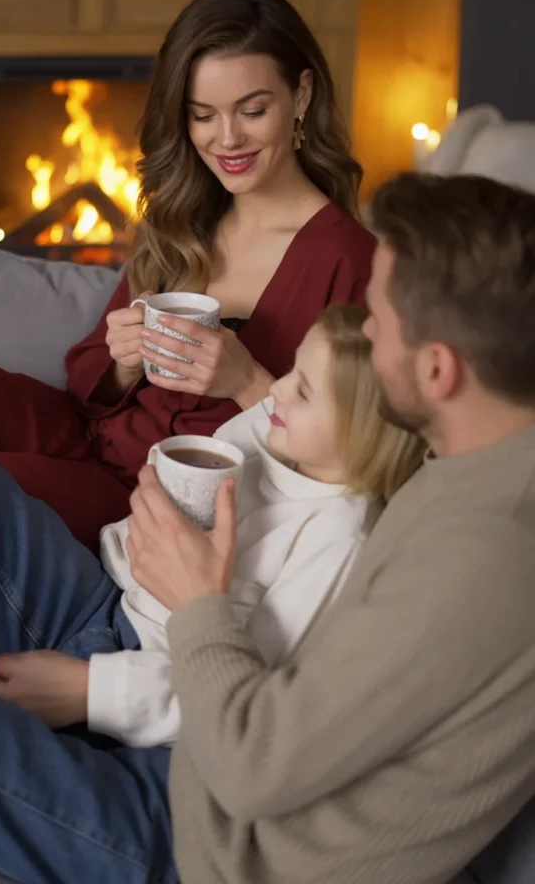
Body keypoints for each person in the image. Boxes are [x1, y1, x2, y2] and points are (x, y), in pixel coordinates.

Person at [123, 172, 535, 884]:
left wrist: (197, 602)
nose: (363, 331)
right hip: (207, 759)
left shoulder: (480, 557)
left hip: (220, 850)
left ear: (437, 370)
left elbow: (252, 767)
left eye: (375, 321)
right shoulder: (475, 460)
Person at [0, 305, 423, 882]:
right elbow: (147, 540)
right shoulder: (264, 429)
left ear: (364, 430)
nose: (275, 385)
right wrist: (147, 521)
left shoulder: (337, 538)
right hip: (106, 609)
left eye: (302, 389)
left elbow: (244, 710)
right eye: (291, 371)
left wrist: (91, 690)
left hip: (160, 718)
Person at [0, 0, 374, 550]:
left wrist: (248, 382)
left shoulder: (350, 260)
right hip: (87, 436)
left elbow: (354, 454)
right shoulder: (187, 216)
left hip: (153, 499)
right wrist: (123, 361)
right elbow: (88, 384)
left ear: (301, 95)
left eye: (253, 110)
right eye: (203, 115)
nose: (227, 139)